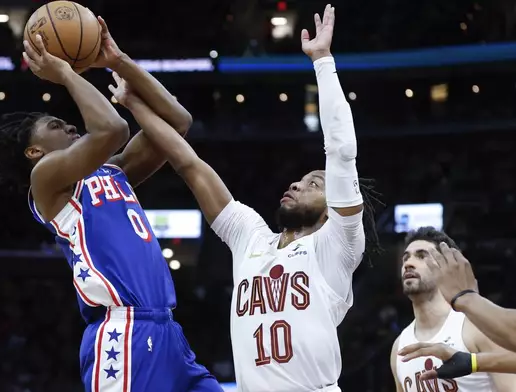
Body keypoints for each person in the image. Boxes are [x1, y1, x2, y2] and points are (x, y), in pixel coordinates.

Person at [107, 5, 382, 391]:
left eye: (315, 184)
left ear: (330, 208)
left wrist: (322, 61)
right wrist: (134, 103)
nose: (298, 185)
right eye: (301, 179)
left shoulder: (337, 244)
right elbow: (189, 164)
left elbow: (340, 151)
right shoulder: (251, 236)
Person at [0, 18, 222, 392]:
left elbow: (178, 121)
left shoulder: (113, 169)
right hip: (122, 332)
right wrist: (63, 72)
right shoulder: (46, 180)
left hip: (169, 331)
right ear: (34, 151)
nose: (71, 127)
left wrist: (117, 60)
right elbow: (112, 129)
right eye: (57, 125)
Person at [389, 226, 516, 391]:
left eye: (421, 256)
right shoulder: (399, 347)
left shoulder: (478, 327)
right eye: (405, 258)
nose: (409, 264)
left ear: (446, 266)